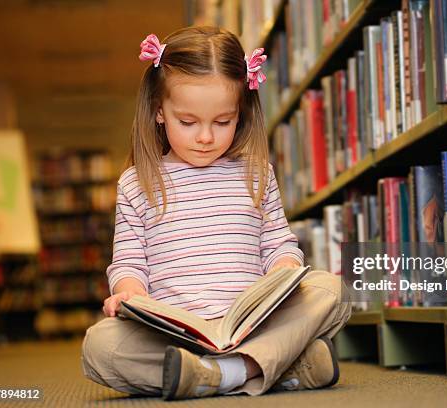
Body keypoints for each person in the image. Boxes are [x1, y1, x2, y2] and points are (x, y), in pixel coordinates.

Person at [80, 26, 352, 401]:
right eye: (187, 122)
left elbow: (278, 244)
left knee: (330, 290)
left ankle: (219, 373)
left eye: (222, 122)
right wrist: (127, 295)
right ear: (159, 112)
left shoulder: (256, 173)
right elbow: (129, 263)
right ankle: (274, 368)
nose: (205, 137)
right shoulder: (135, 182)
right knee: (100, 346)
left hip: (252, 322)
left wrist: (284, 269)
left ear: (240, 113)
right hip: (175, 333)